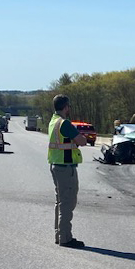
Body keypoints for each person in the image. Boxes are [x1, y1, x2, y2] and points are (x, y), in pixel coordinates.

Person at [47, 94, 88, 248]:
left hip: (56, 165)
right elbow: (82, 141)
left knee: (60, 202)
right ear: (65, 107)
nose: (69, 109)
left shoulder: (53, 121)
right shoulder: (64, 123)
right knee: (68, 202)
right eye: (68, 106)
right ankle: (65, 237)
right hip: (65, 168)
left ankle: (59, 234)